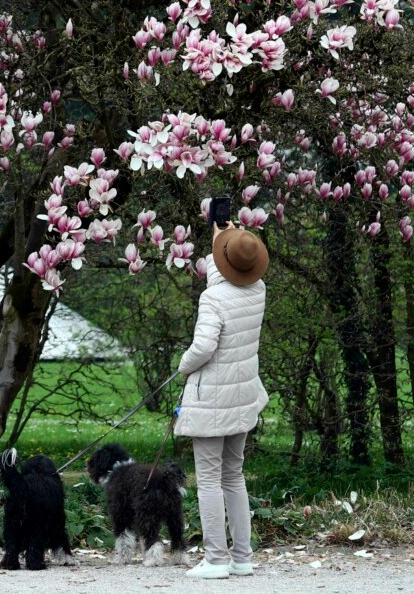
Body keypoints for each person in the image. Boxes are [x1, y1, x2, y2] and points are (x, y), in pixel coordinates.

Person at [174, 221, 270, 579]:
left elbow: (203, 347)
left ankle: (215, 559)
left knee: (210, 479)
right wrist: (224, 243)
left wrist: (183, 366)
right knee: (234, 475)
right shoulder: (257, 289)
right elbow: (232, 279)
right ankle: (241, 558)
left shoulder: (212, 298)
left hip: (212, 398)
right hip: (242, 394)